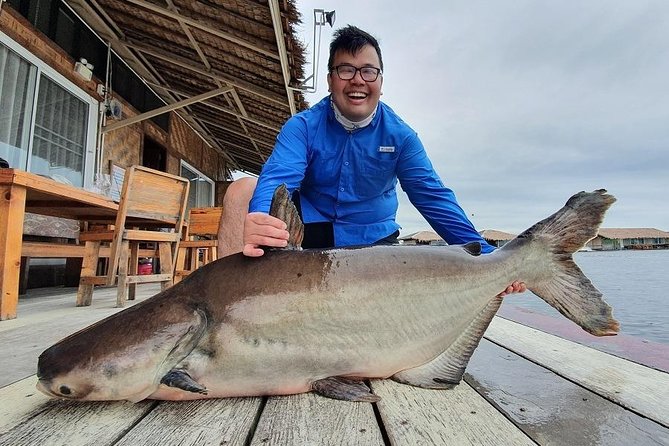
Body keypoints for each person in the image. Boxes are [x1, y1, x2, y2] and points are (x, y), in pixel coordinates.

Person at [218, 25, 524, 296]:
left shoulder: (401, 136)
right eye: (346, 70)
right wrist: (260, 219)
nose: (357, 81)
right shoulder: (303, 126)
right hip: (314, 228)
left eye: (368, 71)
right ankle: (228, 303)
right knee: (241, 190)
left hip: (373, 238)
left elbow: (432, 197)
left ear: (380, 80)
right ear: (330, 80)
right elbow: (279, 178)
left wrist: (487, 254)